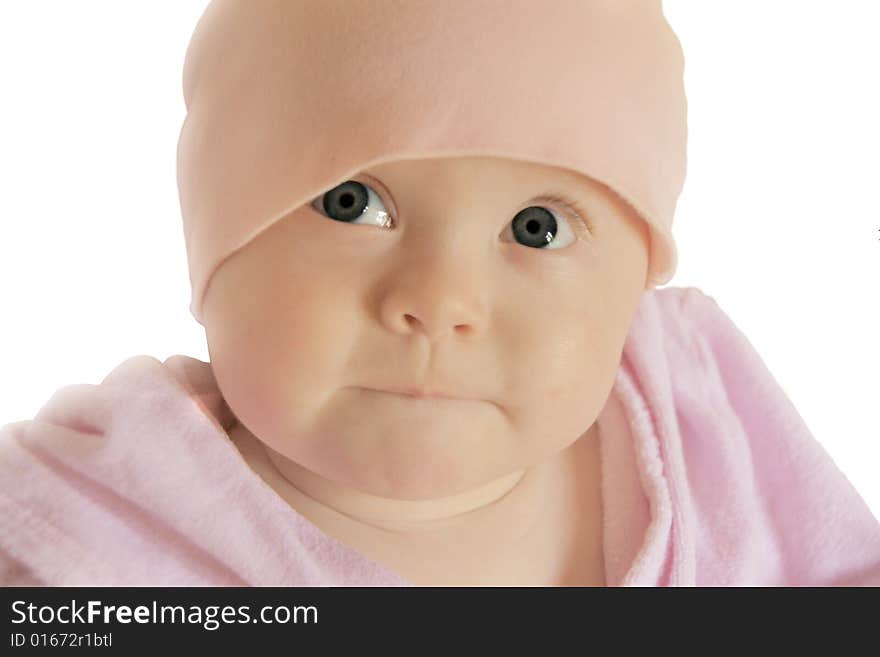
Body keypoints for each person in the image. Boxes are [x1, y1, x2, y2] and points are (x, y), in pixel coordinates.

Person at [1, 0, 878, 587]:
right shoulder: (87, 532)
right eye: (354, 203)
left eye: (538, 227)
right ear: (216, 244)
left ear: (632, 286)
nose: (440, 300)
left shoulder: (704, 422)